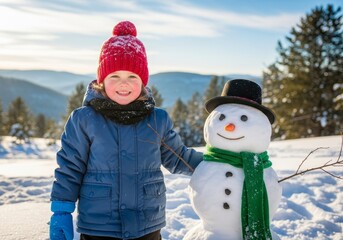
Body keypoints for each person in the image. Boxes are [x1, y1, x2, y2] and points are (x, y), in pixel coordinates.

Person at [49, 21, 203, 240]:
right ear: (102, 81)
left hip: (147, 225)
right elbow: (70, 168)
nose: (124, 84)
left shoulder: (157, 119)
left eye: (132, 76)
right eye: (114, 77)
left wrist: (216, 163)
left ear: (143, 81)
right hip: (99, 227)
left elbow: (179, 158)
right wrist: (61, 209)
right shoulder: (84, 119)